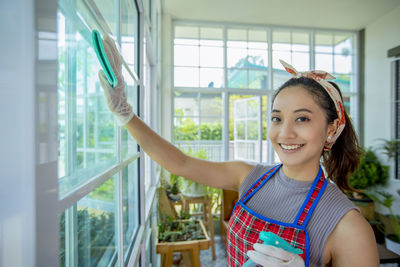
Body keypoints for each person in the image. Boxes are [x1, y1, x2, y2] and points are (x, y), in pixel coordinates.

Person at [98, 35, 379, 267]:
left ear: (331, 129)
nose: (285, 132)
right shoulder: (250, 177)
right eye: (277, 118)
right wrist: (125, 115)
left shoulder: (348, 227)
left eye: (302, 118)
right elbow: (180, 163)